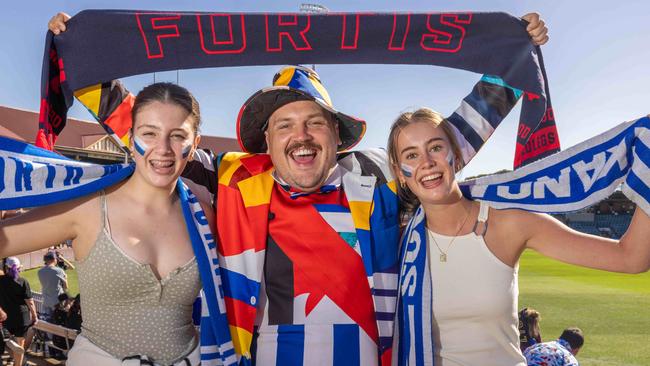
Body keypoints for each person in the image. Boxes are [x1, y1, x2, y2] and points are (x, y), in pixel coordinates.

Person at [43, 12, 549, 365]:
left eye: (314, 122)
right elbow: (148, 131)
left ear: (336, 133)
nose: (301, 136)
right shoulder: (236, 176)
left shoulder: (376, 174)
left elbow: (449, 141)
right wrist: (81, 52)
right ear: (266, 139)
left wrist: (513, 59)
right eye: (285, 124)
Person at [388, 108, 650, 365]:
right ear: (400, 172)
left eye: (435, 148)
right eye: (411, 155)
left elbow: (631, 257)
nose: (426, 163)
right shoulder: (396, 241)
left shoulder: (507, 223)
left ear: (455, 154)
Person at [0, 82, 211, 365]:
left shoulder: (206, 214)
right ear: (131, 135)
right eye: (149, 133)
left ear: (195, 143)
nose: (163, 149)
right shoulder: (88, 207)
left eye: (177, 136)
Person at [0, 257, 38, 366]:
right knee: (20, 346)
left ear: (6, 268)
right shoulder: (23, 281)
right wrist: (35, 316)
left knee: (7, 341)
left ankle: (10, 349)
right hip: (22, 317)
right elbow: (30, 302)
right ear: (19, 268)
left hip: (6, 317)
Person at [37, 251, 68, 319]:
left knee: (48, 320)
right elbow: (66, 287)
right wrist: (66, 278)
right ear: (54, 259)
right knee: (59, 320)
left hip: (46, 300)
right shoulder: (59, 271)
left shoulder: (40, 271)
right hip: (57, 301)